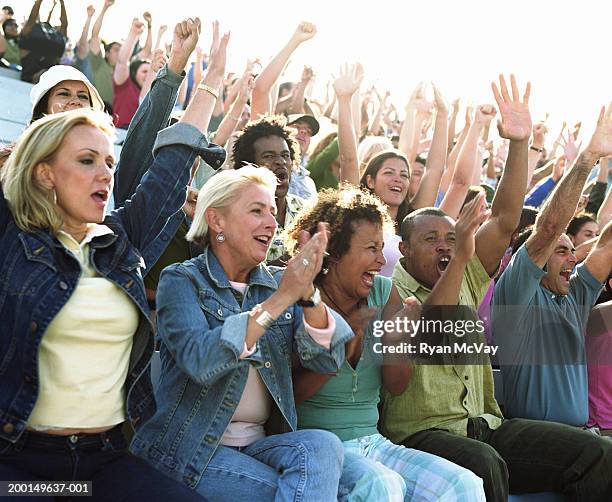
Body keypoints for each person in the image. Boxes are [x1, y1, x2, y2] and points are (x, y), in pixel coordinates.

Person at [130, 165, 353, 501]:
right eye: (256, 210)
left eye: (273, 212)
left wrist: (308, 294)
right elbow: (200, 360)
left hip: (260, 445)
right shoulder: (182, 279)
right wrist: (281, 300)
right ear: (217, 220)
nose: (271, 222)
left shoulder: (279, 284)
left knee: (323, 446)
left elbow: (328, 358)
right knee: (305, 492)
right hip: (191, 451)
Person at [287, 186, 487, 501]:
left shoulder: (384, 292)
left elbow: (396, 385)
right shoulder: (300, 296)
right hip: (316, 448)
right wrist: (345, 343)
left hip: (374, 443)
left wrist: (398, 342)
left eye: (382, 248)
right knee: (382, 484)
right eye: (371, 248)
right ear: (335, 251)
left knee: (465, 485)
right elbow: (291, 394)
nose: (382, 260)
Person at [493, 103, 612, 426]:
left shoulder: (574, 296)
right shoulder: (517, 296)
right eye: (561, 251)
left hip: (580, 441)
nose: (573, 258)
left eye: (573, 251)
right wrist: (588, 158)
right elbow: (548, 229)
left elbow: (607, 244)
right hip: (531, 439)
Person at [232, 115, 306, 265]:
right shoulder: (237, 215)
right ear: (249, 166)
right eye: (268, 156)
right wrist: (296, 256)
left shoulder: (305, 210)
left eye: (286, 155)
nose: (281, 162)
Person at [18, 0, 68, 83]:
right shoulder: (29, 33)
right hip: (31, 77)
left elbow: (64, 24)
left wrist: (62, 3)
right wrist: (39, 2)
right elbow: (32, 18)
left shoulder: (56, 36)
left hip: (51, 77)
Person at [286, 113, 319, 200]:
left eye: (309, 132)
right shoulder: (268, 168)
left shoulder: (310, 184)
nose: (304, 132)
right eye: (297, 126)